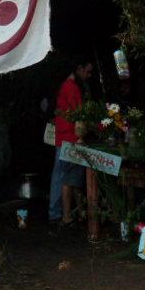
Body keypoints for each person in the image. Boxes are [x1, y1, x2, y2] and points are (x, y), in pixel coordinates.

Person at [48, 60, 92, 225]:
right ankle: (57, 214)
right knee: (66, 179)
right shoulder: (72, 87)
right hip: (69, 138)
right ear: (79, 68)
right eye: (87, 72)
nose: (88, 76)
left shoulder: (65, 86)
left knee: (63, 177)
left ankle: (62, 213)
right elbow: (79, 114)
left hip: (63, 137)